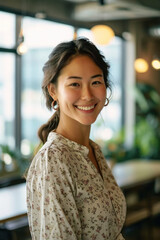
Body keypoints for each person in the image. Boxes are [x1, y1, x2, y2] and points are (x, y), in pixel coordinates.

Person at [26, 38, 126, 240]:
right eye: (74, 84)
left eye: (96, 82)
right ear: (53, 91)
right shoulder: (54, 159)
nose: (88, 95)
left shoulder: (92, 149)